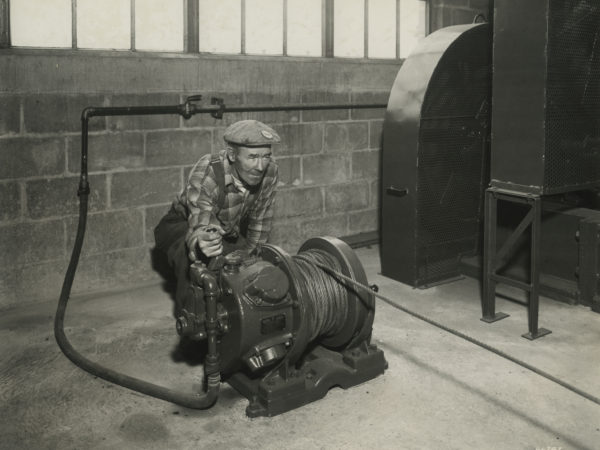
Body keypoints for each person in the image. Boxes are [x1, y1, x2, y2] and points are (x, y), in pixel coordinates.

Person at [154, 119, 280, 315]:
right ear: (232, 155)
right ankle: (195, 328)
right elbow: (201, 218)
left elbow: (260, 221)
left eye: (265, 156)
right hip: (181, 224)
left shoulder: (270, 171)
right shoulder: (209, 169)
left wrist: (251, 257)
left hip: (227, 228)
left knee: (248, 267)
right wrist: (204, 240)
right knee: (196, 265)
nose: (260, 166)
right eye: (253, 157)